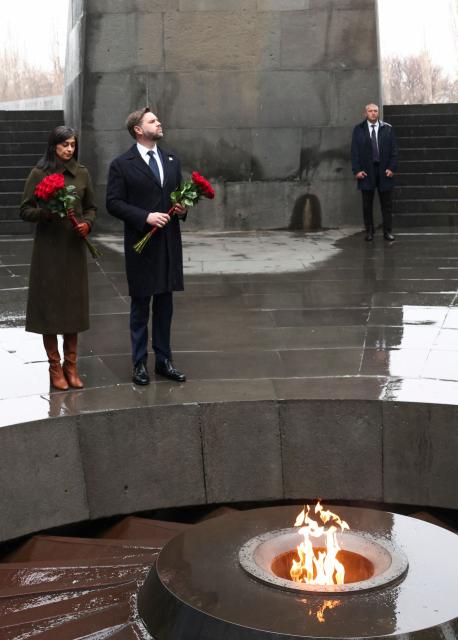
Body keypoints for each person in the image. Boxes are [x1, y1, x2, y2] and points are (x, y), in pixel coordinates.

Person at [106, 107, 187, 385]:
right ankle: (139, 363)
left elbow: (178, 196)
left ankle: (164, 360)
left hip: (168, 245)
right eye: (152, 121)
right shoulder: (121, 164)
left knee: (165, 305)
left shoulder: (172, 160)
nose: (159, 123)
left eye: (158, 119)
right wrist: (145, 216)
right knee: (141, 306)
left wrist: (181, 207)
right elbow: (113, 203)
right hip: (142, 246)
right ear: (138, 130)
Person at [20, 126, 97, 390]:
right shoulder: (39, 173)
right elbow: (25, 209)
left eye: (73, 145)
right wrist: (46, 214)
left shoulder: (82, 173)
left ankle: (71, 367)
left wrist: (87, 223)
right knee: (50, 308)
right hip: (49, 250)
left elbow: (91, 207)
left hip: (73, 248)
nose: (69, 149)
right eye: (64, 145)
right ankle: (55, 368)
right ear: (54, 146)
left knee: (73, 306)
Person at [351, 103, 398, 242]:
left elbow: (394, 152)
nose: (373, 113)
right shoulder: (358, 129)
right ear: (365, 113)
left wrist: (391, 168)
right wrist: (357, 170)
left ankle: (387, 232)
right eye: (370, 111)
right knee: (367, 204)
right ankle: (369, 232)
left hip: (384, 171)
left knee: (387, 205)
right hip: (366, 171)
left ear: (378, 113)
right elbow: (354, 152)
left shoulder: (387, 129)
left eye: (375, 111)